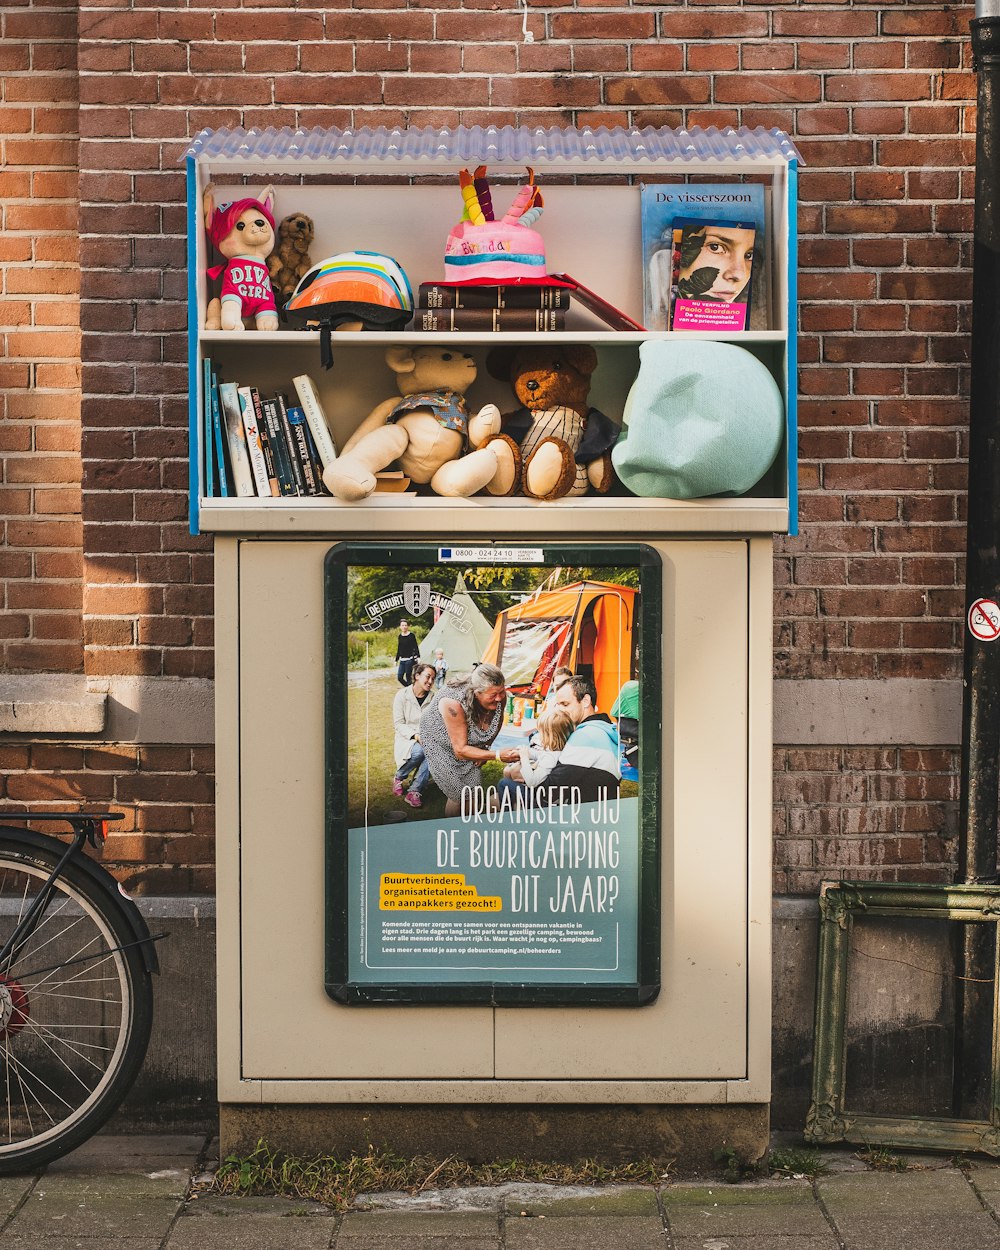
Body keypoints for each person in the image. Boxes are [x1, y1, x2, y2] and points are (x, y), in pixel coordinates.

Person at [419, 663, 520, 816]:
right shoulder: (453, 703)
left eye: (501, 692)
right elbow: (460, 750)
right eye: (493, 695)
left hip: (462, 737)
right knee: (459, 792)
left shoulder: (498, 695)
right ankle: (453, 829)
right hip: (437, 738)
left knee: (472, 788)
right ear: (476, 692)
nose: (499, 698)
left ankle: (467, 827)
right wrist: (497, 755)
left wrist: (486, 747)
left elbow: (497, 720)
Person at [537, 674, 621, 803]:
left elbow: (549, 792)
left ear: (586, 701)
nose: (559, 710)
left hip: (579, 816)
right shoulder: (604, 728)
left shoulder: (586, 736)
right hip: (598, 811)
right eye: (558, 705)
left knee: (507, 787)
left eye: (565, 704)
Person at [391, 662, 436, 808]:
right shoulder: (401, 695)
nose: (430, 682)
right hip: (406, 739)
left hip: (427, 738)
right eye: (427, 677)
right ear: (417, 676)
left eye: (433, 679)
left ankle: (415, 790)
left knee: (433, 751)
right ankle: (399, 777)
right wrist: (416, 736)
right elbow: (398, 724)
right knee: (422, 751)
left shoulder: (434, 698)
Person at [506, 706, 573, 790]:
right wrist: (526, 752)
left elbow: (532, 782)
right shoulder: (556, 751)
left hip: (536, 794)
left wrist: (524, 757)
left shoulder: (550, 757)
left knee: (504, 783)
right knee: (508, 773)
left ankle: (510, 800)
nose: (538, 735)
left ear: (551, 736)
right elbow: (540, 755)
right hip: (542, 789)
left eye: (541, 732)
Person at [395, 618, 420, 686]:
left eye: (405, 625)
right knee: (399, 677)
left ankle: (410, 691)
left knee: (408, 677)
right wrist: (396, 659)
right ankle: (409, 688)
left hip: (410, 659)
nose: (404, 627)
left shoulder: (411, 635)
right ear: (400, 627)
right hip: (402, 660)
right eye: (402, 625)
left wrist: (418, 656)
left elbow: (415, 646)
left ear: (408, 626)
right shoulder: (400, 636)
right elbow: (399, 648)